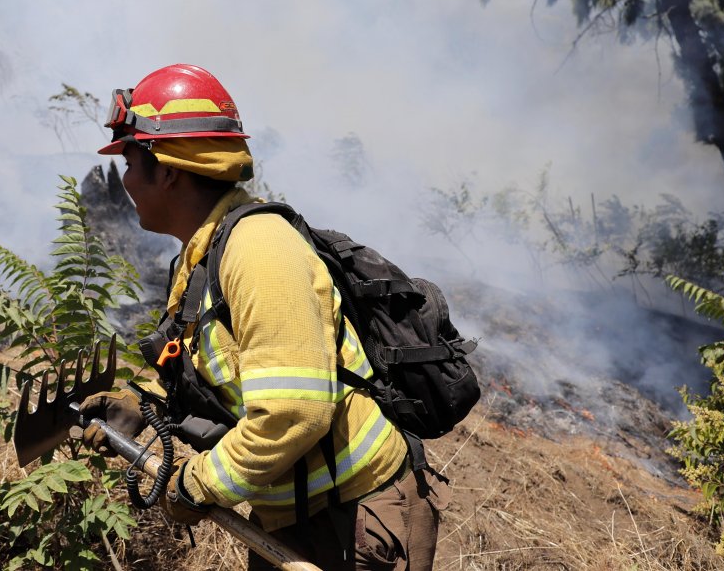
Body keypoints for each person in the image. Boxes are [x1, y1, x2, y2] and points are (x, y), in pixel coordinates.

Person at [80, 64, 449, 570]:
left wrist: (198, 483)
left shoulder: (258, 251)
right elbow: (226, 372)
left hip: (357, 524)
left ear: (166, 170)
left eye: (129, 159)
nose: (124, 180)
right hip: (293, 515)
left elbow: (294, 412)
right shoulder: (203, 255)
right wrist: (147, 409)